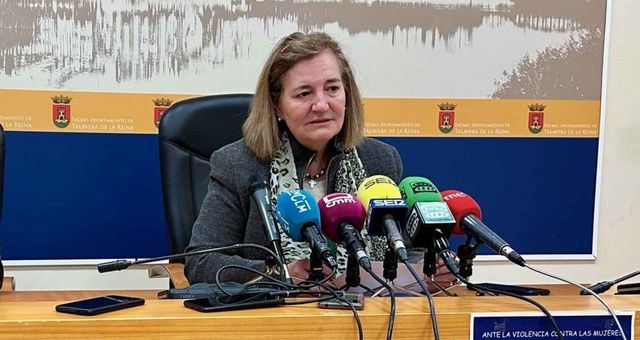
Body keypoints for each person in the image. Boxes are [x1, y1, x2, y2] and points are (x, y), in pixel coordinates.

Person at [184, 32, 452, 289]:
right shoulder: (239, 164)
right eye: (304, 93)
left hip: (368, 316)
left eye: (332, 88)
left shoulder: (379, 160)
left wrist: (428, 268)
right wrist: (280, 271)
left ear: (347, 95)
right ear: (277, 105)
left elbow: (406, 249)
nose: (321, 105)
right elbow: (201, 262)